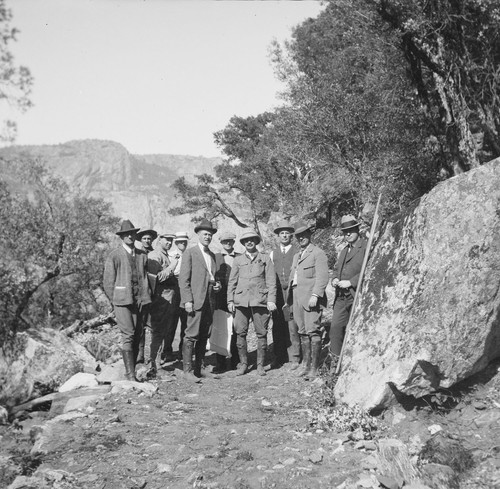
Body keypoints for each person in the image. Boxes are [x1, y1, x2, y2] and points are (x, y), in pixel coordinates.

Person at [103, 220, 151, 381]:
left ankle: (134, 370)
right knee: (128, 334)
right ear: (122, 237)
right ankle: (129, 374)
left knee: (138, 334)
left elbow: (146, 278)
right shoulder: (115, 255)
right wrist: (116, 299)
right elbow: (108, 283)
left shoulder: (142, 255)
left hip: (139, 300)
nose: (130, 236)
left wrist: (146, 296)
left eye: (132, 234)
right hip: (122, 301)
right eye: (126, 234)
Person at [227, 230, 277, 376]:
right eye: (246, 240)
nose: (249, 242)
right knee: (240, 333)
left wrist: (271, 300)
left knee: (261, 333)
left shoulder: (265, 258)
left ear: (256, 241)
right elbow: (232, 281)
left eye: (252, 240)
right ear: (243, 243)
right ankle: (243, 364)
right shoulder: (238, 260)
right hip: (241, 301)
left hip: (260, 301)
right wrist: (230, 300)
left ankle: (260, 365)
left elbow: (271, 282)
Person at [179, 219, 221, 382]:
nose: (208, 237)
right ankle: (187, 370)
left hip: (210, 298)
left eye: (210, 235)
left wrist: (216, 285)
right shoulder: (190, 253)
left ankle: (200, 368)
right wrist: (188, 300)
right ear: (198, 235)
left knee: (205, 334)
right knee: (191, 334)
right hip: (195, 300)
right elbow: (184, 280)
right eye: (205, 234)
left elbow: (211, 277)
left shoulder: (211, 255)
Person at [288, 221, 329, 379]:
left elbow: (322, 276)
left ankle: (314, 368)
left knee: (313, 331)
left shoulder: (318, 253)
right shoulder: (297, 256)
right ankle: (305, 365)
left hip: (310, 297)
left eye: (304, 235)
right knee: (302, 331)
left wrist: (316, 295)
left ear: (310, 235)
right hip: (297, 296)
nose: (301, 238)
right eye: (298, 236)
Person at [329, 215, 367, 369]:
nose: (348, 234)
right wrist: (335, 279)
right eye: (345, 232)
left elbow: (369, 269)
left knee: (357, 330)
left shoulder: (365, 247)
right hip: (341, 297)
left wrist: (351, 282)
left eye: (351, 230)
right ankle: (335, 362)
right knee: (335, 329)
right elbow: (337, 269)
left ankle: (356, 365)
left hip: (356, 295)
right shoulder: (344, 250)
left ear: (357, 230)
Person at [146, 231, 179, 377]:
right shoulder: (155, 255)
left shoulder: (164, 255)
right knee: (158, 331)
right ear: (160, 240)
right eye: (167, 240)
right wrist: (173, 265)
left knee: (164, 330)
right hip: (160, 299)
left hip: (168, 298)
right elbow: (157, 278)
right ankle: (155, 365)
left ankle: (156, 364)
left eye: (171, 240)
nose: (169, 243)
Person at [270, 220, 300, 369]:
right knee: (277, 324)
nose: (284, 236)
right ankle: (279, 356)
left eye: (287, 233)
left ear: (291, 236)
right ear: (278, 236)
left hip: (291, 291)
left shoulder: (297, 251)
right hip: (276, 292)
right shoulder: (273, 253)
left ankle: (294, 357)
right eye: (281, 233)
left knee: (292, 323)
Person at [212, 231, 240, 373]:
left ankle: (235, 361)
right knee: (221, 328)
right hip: (219, 298)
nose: (227, 244)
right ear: (221, 243)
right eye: (225, 241)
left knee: (235, 329)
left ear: (233, 242)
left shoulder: (240, 257)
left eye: (230, 241)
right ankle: (221, 363)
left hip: (236, 298)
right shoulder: (215, 257)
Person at [134, 227, 157, 363]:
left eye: (149, 238)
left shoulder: (156, 254)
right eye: (144, 238)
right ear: (140, 240)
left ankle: (154, 356)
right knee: (141, 325)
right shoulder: (137, 255)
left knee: (155, 325)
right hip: (142, 294)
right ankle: (140, 354)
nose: (147, 241)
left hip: (155, 293)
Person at [170, 231, 189, 361]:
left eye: (184, 242)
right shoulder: (171, 255)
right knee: (171, 322)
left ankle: (183, 351)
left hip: (186, 289)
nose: (182, 244)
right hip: (173, 287)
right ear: (176, 243)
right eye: (180, 242)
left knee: (186, 322)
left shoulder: (190, 254)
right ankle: (167, 351)